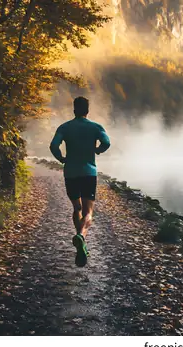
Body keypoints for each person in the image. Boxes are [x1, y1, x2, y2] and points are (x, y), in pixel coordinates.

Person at [49, 96, 111, 267]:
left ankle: (80, 244)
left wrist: (61, 158)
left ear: (74, 110)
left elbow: (53, 146)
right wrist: (97, 150)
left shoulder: (65, 127)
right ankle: (82, 236)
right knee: (88, 212)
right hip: (89, 172)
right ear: (87, 110)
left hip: (70, 172)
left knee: (76, 208)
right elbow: (107, 142)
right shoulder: (95, 127)